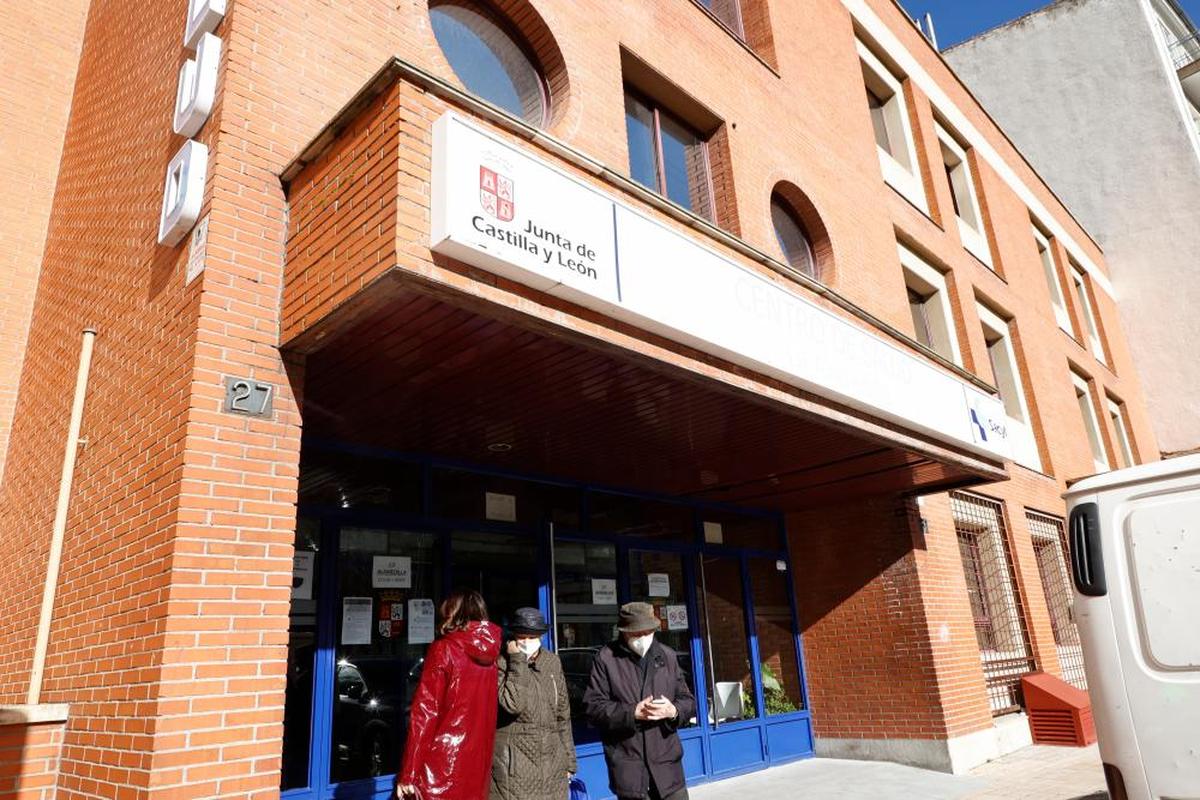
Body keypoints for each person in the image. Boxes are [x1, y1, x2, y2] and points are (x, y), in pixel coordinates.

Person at [583, 602, 696, 800]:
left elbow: (687, 700)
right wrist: (632, 712)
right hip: (630, 769)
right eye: (636, 633)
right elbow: (593, 708)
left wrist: (673, 711)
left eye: (648, 632)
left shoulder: (667, 655)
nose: (643, 638)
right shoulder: (606, 658)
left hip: (668, 769)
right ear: (624, 631)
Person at [397, 590, 501, 800]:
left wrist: (408, 773)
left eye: (445, 615)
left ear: (455, 616)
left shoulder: (443, 649)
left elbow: (425, 714)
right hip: (476, 768)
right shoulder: (491, 657)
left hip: (439, 770)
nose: (441, 622)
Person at [489, 607, 576, 800]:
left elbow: (563, 714)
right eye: (522, 637)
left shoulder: (552, 662)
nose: (527, 642)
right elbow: (513, 704)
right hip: (514, 768)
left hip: (552, 764)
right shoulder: (500, 663)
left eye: (532, 637)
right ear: (513, 638)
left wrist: (569, 761)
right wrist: (517, 660)